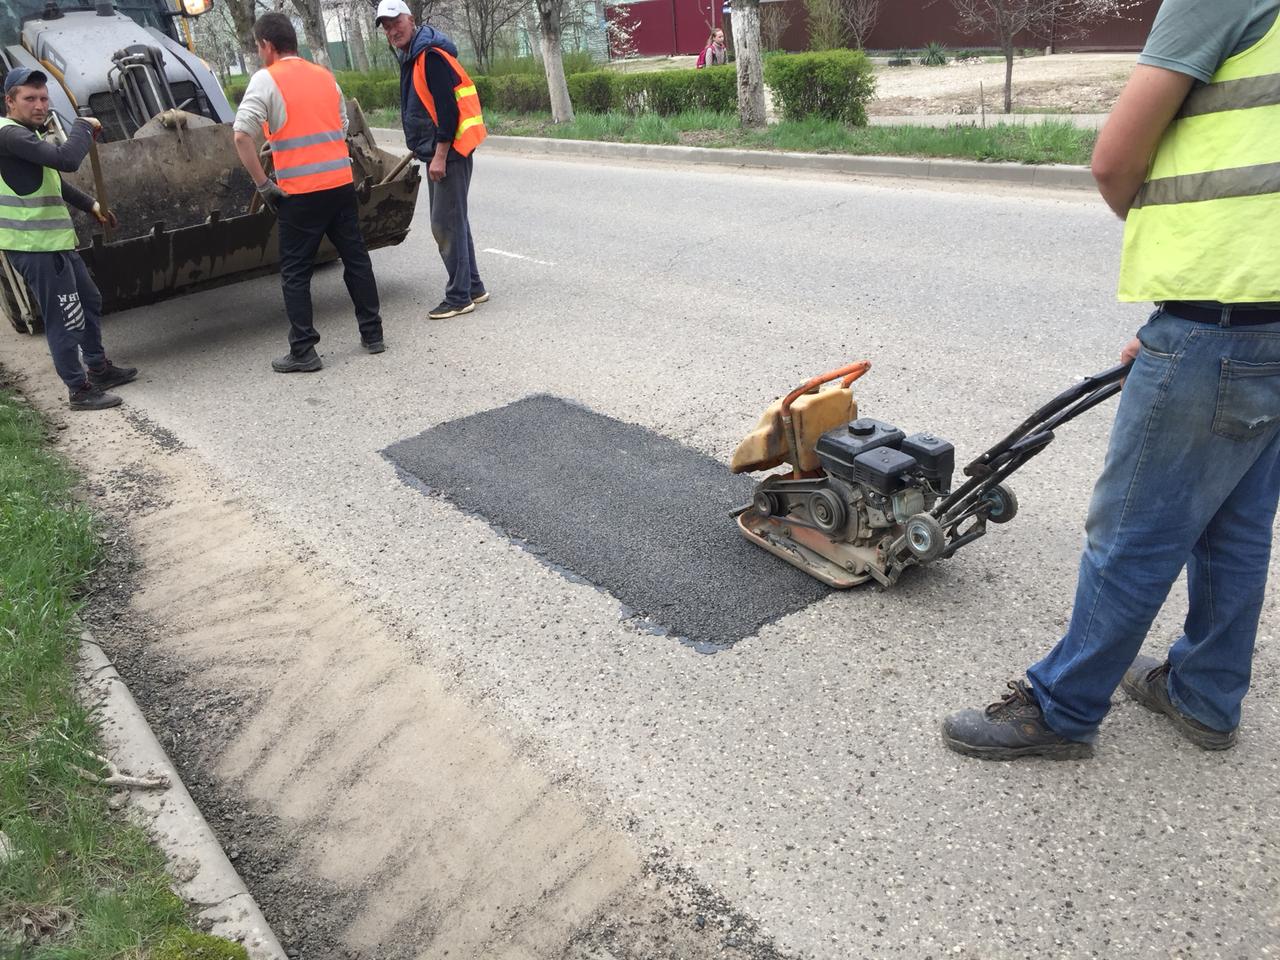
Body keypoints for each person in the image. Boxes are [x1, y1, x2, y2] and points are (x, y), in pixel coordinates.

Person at [943, 0, 1280, 761]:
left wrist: (1188, 300)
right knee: (1235, 525)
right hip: (1265, 323)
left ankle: (1062, 709)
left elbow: (1115, 160)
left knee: (1132, 531)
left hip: (1222, 316)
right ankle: (1205, 695)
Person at [232, 12, 385, 373]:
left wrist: (264, 185)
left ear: (267, 46)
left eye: (257, 47)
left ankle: (303, 349)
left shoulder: (266, 80)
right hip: (340, 186)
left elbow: (241, 136)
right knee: (356, 259)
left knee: (296, 273)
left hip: (300, 195)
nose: (258, 53)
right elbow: (342, 126)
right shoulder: (324, 77)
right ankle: (373, 334)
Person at [0, 68, 134, 410]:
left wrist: (91, 205)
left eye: (44, 98)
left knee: (88, 301)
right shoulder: (10, 135)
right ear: (10, 101)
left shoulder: (26, 136)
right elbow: (66, 160)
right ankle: (79, 390)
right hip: (36, 247)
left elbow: (51, 179)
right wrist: (83, 126)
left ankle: (98, 367)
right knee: (65, 316)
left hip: (55, 243)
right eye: (29, 98)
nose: (40, 105)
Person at [376, 0, 488, 320]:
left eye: (396, 22)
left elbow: (447, 111)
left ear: (411, 19)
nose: (392, 30)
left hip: (449, 154)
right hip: (442, 151)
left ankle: (458, 297)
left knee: (444, 225)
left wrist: (439, 155)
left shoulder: (430, 56)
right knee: (455, 221)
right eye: (385, 26)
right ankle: (474, 287)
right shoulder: (414, 55)